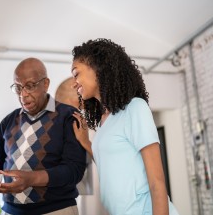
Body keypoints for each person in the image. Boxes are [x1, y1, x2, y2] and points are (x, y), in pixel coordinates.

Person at [0, 58, 86, 215]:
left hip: (56, 211)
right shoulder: (8, 121)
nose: (23, 95)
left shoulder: (68, 116)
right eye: (18, 88)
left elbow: (73, 170)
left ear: (45, 84)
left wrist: (31, 179)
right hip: (11, 211)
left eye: (29, 86)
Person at [71, 38, 179, 215]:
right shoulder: (104, 120)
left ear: (98, 67)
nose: (74, 82)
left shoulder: (135, 108)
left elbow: (157, 182)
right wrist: (86, 143)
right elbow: (112, 164)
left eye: (76, 74)